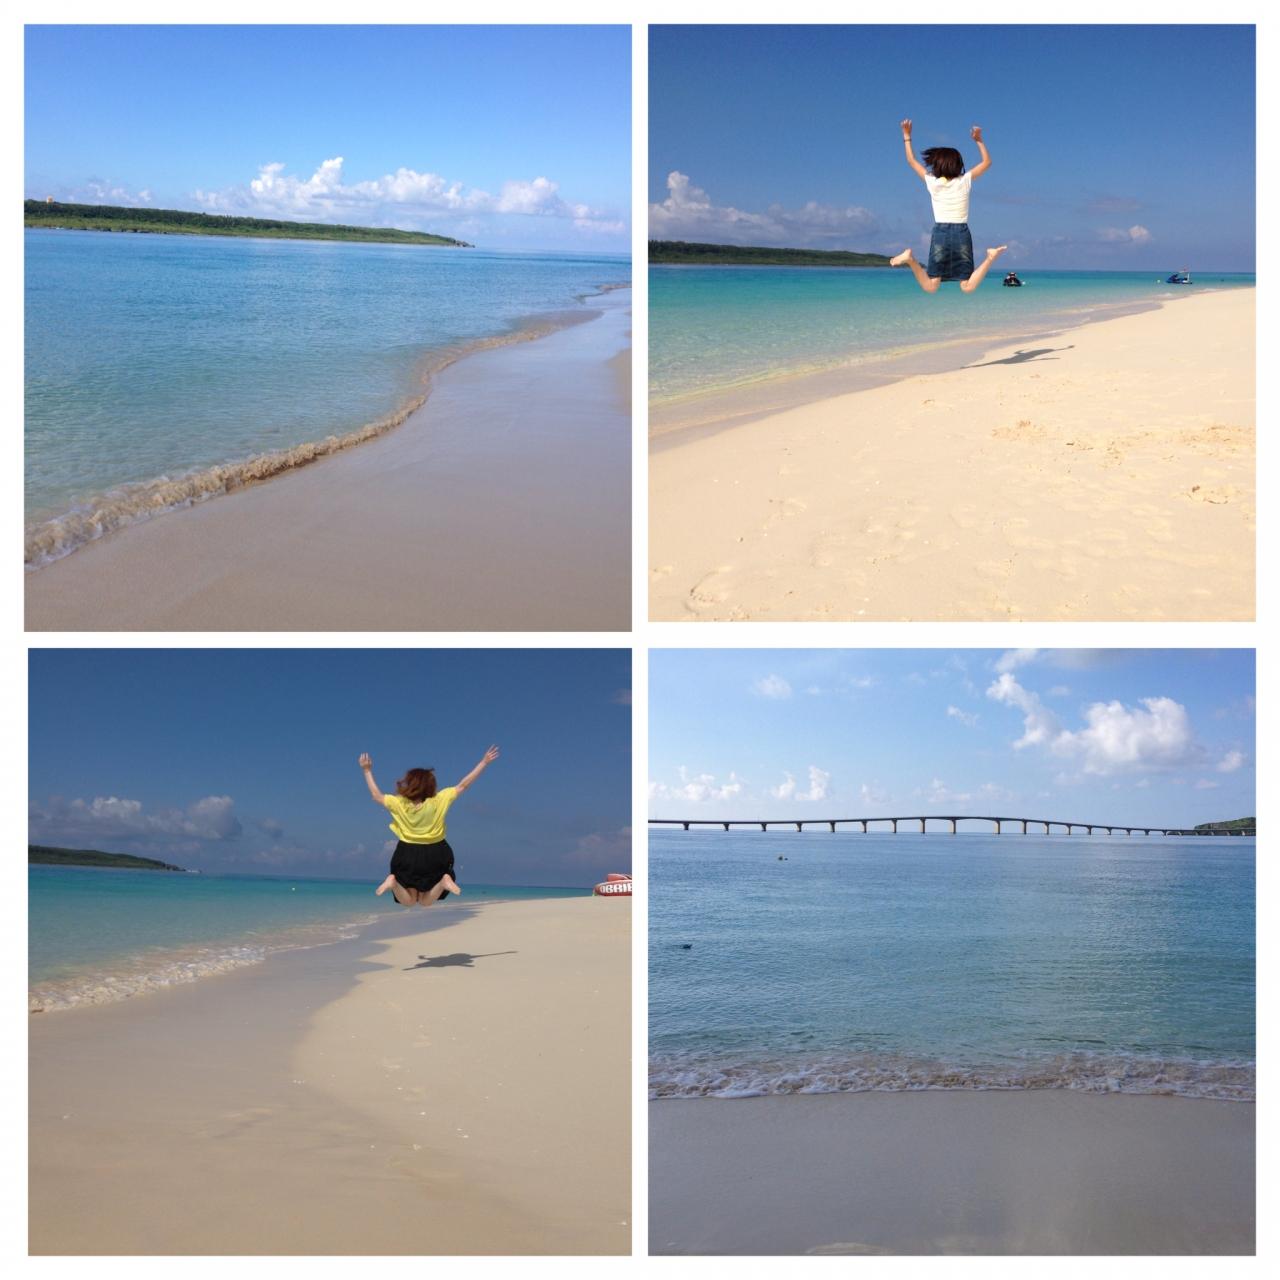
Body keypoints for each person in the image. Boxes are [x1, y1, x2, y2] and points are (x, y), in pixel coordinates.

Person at [358, 746, 499, 907]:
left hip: (406, 853)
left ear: (409, 783)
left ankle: (393, 883)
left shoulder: (399, 802)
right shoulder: (439, 799)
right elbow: (463, 785)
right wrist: (483, 762)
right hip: (436, 852)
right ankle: (444, 881)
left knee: (409, 901)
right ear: (431, 785)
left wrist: (367, 770)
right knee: (426, 901)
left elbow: (376, 795)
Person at [889, 120, 1007, 294]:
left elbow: (911, 161)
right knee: (967, 287)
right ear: (958, 165)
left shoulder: (933, 182)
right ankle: (990, 258)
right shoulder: (964, 180)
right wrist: (979, 140)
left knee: (931, 286)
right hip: (961, 233)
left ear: (937, 165)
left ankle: (911, 260)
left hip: (941, 233)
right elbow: (987, 162)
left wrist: (907, 136)